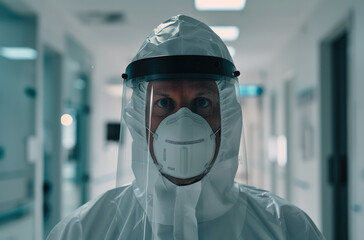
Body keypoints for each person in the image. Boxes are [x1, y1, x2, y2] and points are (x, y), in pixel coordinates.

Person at [47, 15, 325, 240]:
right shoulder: (84, 231)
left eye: (201, 102)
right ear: (138, 117)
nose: (182, 124)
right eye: (164, 103)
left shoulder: (286, 227)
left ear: (226, 115)